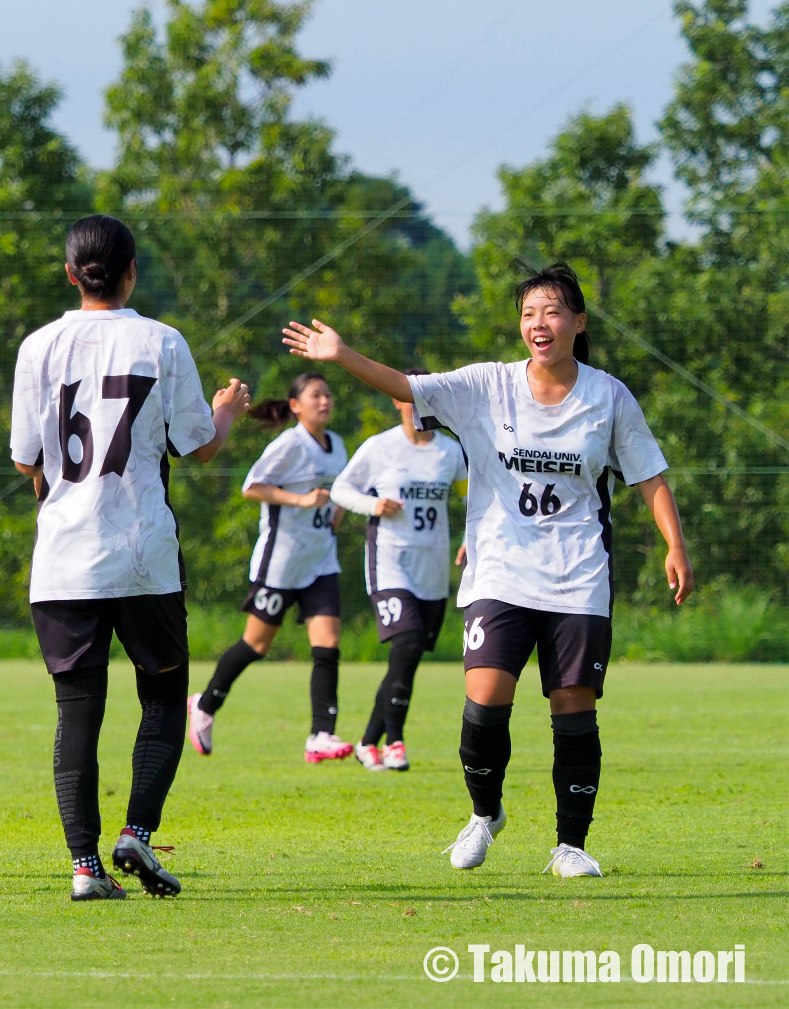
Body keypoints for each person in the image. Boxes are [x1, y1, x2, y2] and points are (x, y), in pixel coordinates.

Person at [284, 262, 693, 878]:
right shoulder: (485, 386)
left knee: (574, 708)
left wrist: (675, 546)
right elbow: (405, 385)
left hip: (579, 575)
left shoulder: (608, 395)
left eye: (553, 311)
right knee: (484, 702)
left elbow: (648, 475)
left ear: (578, 323)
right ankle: (484, 814)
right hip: (499, 572)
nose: (539, 323)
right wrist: (342, 356)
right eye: (529, 313)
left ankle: (571, 845)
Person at [11, 214, 250, 900]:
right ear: (132, 271)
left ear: (69, 272)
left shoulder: (39, 347)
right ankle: (136, 835)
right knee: (163, 697)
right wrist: (227, 409)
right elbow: (198, 444)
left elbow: (28, 458)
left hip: (63, 559)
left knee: (77, 712)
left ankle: (84, 869)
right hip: (142, 554)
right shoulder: (161, 341)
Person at [187, 372, 353, 764]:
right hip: (281, 564)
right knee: (255, 645)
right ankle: (204, 705)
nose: (325, 401)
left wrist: (338, 509)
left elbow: (339, 491)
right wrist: (300, 501)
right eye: (316, 395)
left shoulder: (338, 445)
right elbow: (252, 486)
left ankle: (321, 735)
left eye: (327, 394)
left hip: (320, 562)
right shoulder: (289, 444)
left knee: (327, 645)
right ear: (295, 406)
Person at [330, 370, 468, 773]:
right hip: (390, 564)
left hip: (432, 570)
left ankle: (368, 741)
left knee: (405, 660)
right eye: (410, 396)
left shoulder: (451, 452)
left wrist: (473, 536)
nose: (418, 404)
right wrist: (373, 505)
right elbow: (341, 489)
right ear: (397, 399)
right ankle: (395, 741)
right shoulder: (380, 448)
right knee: (405, 645)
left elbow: (474, 496)